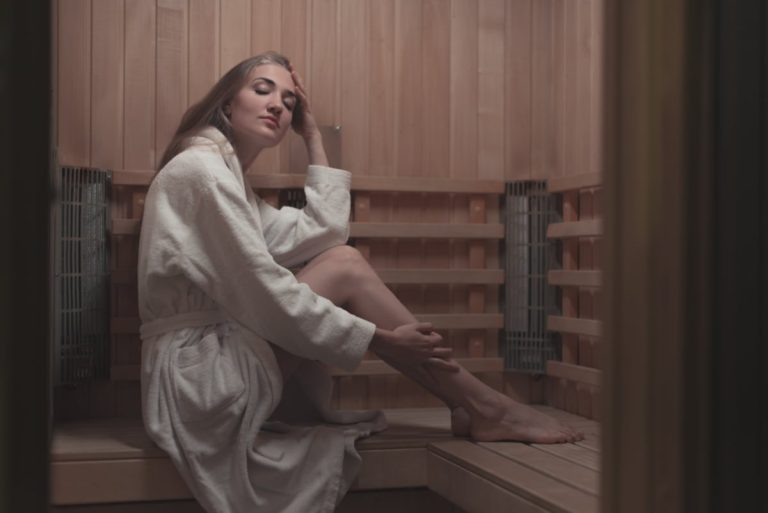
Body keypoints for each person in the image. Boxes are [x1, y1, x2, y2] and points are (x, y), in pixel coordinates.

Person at [138, 51, 582, 513]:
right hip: (198, 383)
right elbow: (264, 291)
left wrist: (312, 136)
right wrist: (382, 341)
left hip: (210, 368)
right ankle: (485, 407)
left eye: (289, 101)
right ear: (227, 104)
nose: (278, 106)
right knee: (345, 265)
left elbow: (323, 233)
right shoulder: (202, 171)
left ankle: (477, 406)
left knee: (341, 258)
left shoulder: (223, 176)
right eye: (262, 90)